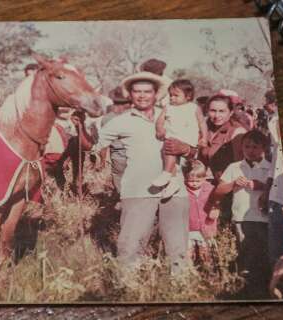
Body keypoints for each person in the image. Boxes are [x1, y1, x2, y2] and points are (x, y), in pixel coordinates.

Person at [83, 71, 197, 273]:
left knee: (178, 248)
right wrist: (79, 128)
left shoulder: (175, 113)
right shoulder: (120, 121)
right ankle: (130, 289)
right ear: (130, 95)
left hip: (174, 190)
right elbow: (92, 146)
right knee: (130, 247)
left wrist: (187, 150)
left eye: (147, 91)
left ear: (156, 94)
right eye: (137, 91)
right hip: (138, 190)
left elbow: (197, 150)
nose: (142, 96)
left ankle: (180, 290)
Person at [215, 130, 271, 298]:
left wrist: (262, 186)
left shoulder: (270, 167)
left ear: (264, 148)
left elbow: (276, 189)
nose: (251, 150)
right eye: (247, 146)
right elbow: (218, 191)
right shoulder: (235, 167)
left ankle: (263, 287)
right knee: (244, 253)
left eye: (255, 147)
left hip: (263, 219)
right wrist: (233, 184)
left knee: (262, 253)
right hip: (241, 219)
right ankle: (245, 288)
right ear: (241, 147)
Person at [153, 79, 208, 198]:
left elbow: (202, 123)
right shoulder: (168, 107)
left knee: (169, 152)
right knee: (169, 155)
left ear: (188, 96)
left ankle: (166, 173)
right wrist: (159, 129)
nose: (172, 98)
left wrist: (204, 137)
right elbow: (160, 120)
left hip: (187, 140)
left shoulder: (194, 108)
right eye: (170, 95)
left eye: (176, 95)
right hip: (173, 138)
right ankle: (173, 182)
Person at [259, 89, 283, 268]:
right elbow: (275, 163)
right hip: (276, 197)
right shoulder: (274, 122)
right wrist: (266, 191)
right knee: (278, 255)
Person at [199, 94, 247, 184]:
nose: (217, 115)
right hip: (205, 184)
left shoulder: (237, 132)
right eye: (213, 111)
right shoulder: (204, 129)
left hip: (228, 185)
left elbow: (240, 166)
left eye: (222, 111)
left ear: (231, 112)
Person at [184, 160, 219, 264]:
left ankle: (209, 276)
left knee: (207, 255)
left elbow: (216, 202)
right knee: (187, 255)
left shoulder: (210, 189)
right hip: (188, 228)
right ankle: (188, 275)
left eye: (197, 181)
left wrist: (216, 209)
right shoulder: (183, 190)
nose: (194, 183)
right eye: (190, 180)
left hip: (206, 227)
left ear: (204, 178)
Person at [100, 86, 131, 194]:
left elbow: (104, 144)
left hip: (118, 157)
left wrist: (102, 161)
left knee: (121, 189)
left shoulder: (107, 118)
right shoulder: (134, 116)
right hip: (135, 155)